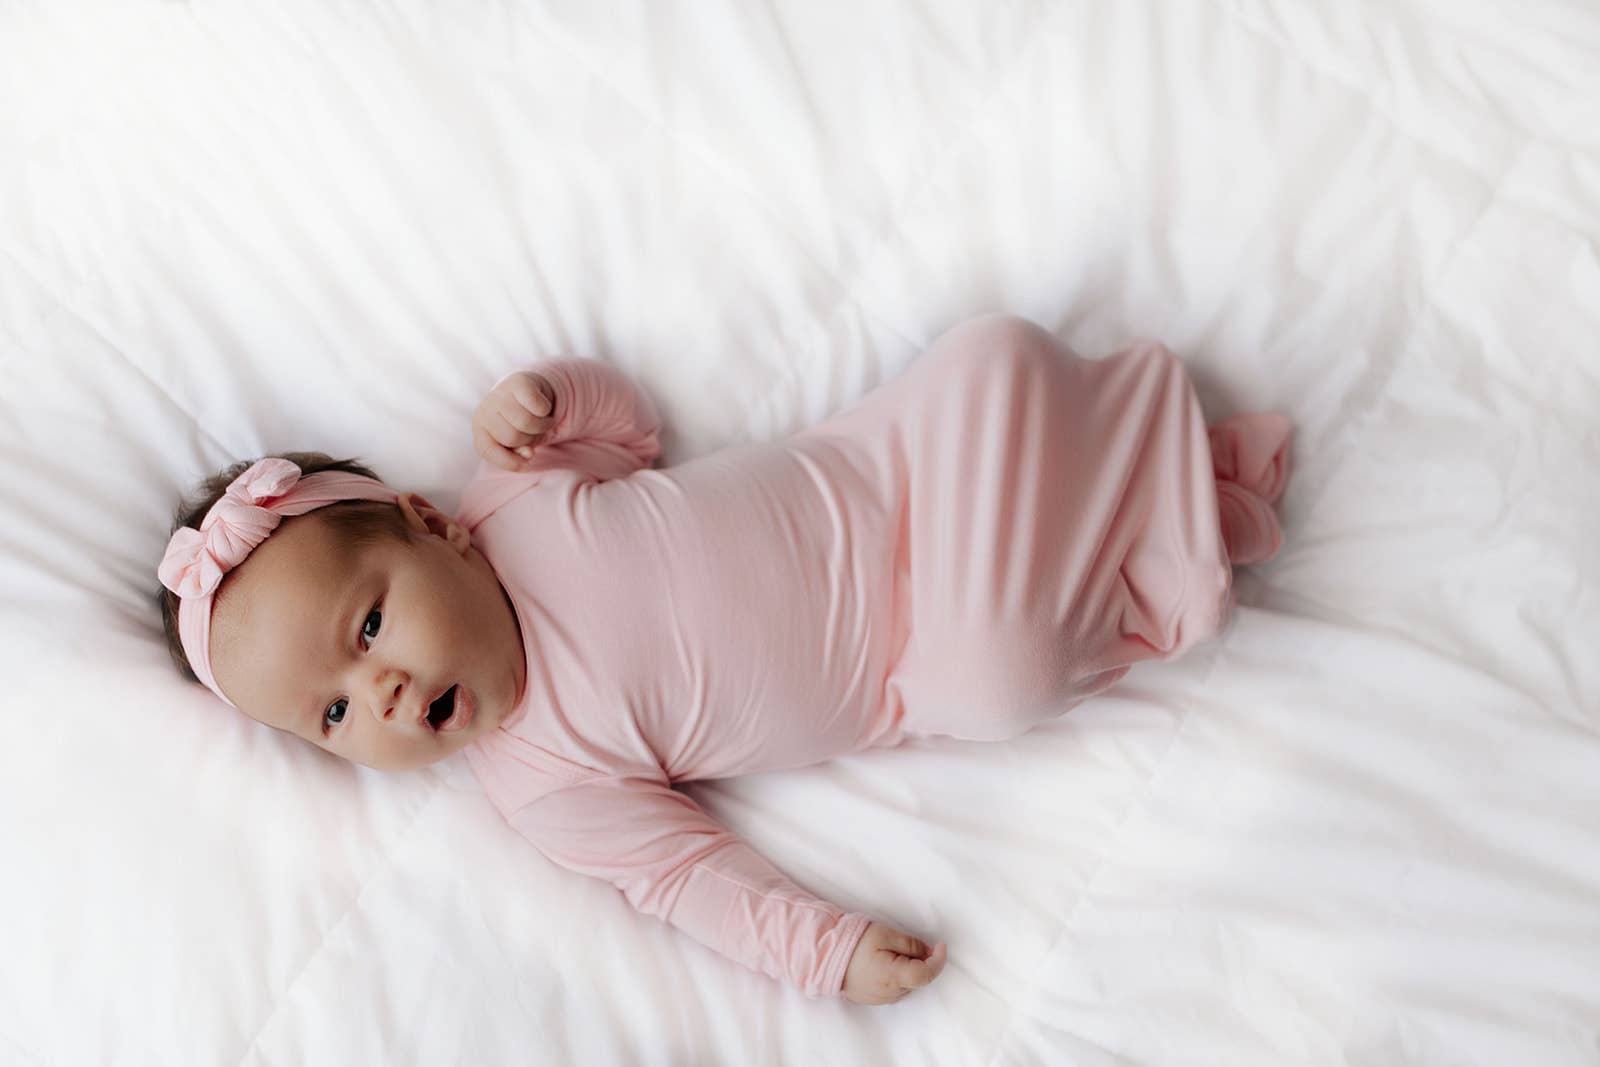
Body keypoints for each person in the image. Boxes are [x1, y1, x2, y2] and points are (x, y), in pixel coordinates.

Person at [155, 313, 1291, 1006]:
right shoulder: (547, 784)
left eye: (367, 630)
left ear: (430, 522)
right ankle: (1176, 514)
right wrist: (824, 951)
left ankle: (1142, 464)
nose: (383, 692)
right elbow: (691, 880)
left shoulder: (517, 490)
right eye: (335, 716)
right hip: (920, 648)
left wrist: (550, 397)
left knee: (993, 359)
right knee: (1007, 675)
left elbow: (630, 428)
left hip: (897, 472)